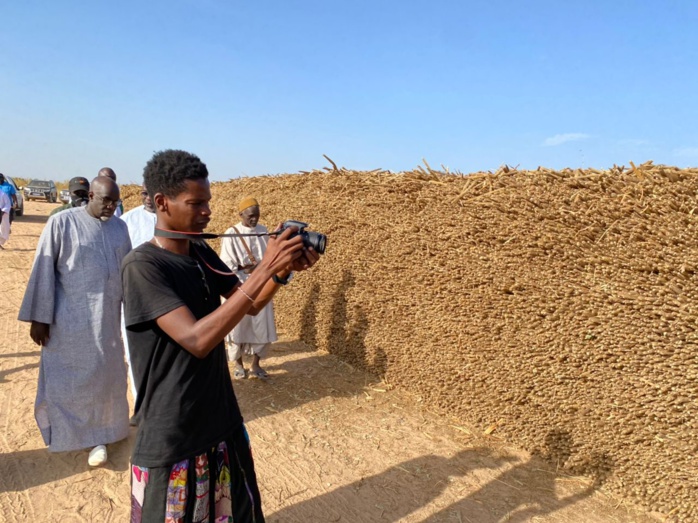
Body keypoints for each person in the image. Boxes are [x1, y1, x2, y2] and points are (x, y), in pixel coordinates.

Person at [121, 149, 319, 522]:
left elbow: (253, 303)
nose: (207, 211)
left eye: (207, 202)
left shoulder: (199, 251)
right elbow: (197, 340)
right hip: (174, 432)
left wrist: (282, 271)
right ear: (162, 203)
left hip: (219, 418)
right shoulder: (143, 266)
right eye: (196, 203)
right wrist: (265, 268)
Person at [18, 176, 132, 467]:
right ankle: (70, 432)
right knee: (68, 379)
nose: (110, 206)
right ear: (90, 195)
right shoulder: (62, 223)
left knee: (105, 379)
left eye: (115, 202)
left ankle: (102, 435)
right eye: (105, 200)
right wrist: (39, 318)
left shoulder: (120, 228)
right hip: (69, 319)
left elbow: (128, 274)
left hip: (107, 321)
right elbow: (43, 269)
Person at [220, 197, 278, 379]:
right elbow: (227, 265)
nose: (255, 219)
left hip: (261, 284)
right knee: (237, 325)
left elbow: (270, 258)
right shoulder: (231, 233)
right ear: (241, 214)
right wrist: (248, 270)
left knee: (262, 324)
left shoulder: (264, 231)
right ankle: (238, 365)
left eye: (257, 216)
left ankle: (256, 365)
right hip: (237, 285)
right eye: (251, 216)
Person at [119, 183, 157, 402]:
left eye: (152, 194)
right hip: (135, 297)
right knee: (136, 353)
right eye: (145, 193)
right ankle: (141, 404)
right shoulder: (126, 222)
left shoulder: (172, 220)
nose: (148, 198)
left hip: (166, 297)